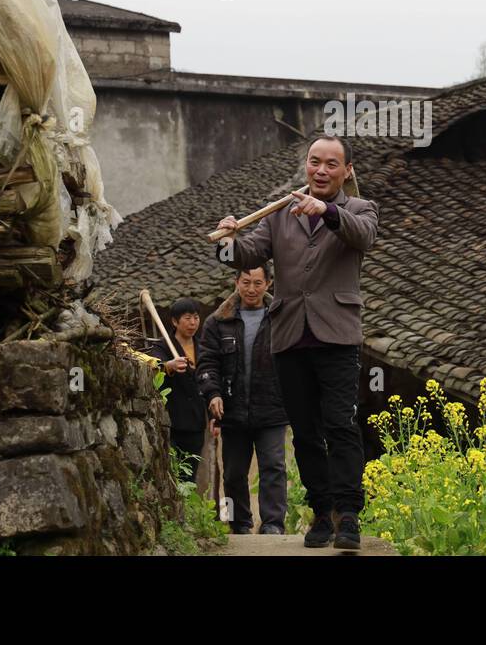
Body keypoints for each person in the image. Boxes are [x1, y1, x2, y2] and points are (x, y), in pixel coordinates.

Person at [215, 135, 378, 551]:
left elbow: (363, 236)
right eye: (313, 162)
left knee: (340, 426)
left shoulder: (359, 209)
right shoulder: (279, 215)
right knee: (305, 433)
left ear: (347, 171)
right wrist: (228, 242)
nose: (320, 170)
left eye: (330, 164)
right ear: (306, 166)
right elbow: (248, 254)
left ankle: (349, 516)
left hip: (337, 336)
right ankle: (321, 514)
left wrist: (326, 210)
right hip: (289, 336)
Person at [196, 265, 290, 535]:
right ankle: (240, 525)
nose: (251, 289)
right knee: (233, 473)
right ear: (236, 282)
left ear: (269, 283)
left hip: (272, 408)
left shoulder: (281, 317)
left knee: (273, 467)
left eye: (258, 283)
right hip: (232, 410)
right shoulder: (218, 321)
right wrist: (213, 394)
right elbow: (207, 364)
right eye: (246, 282)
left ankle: (273, 524)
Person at [153, 297, 206, 484]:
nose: (193, 323)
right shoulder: (162, 347)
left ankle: (189, 512)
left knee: (189, 478)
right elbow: (153, 367)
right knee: (172, 477)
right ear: (175, 322)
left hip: (196, 423)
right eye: (187, 318)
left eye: (196, 318)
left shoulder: (204, 347)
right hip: (172, 422)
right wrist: (169, 365)